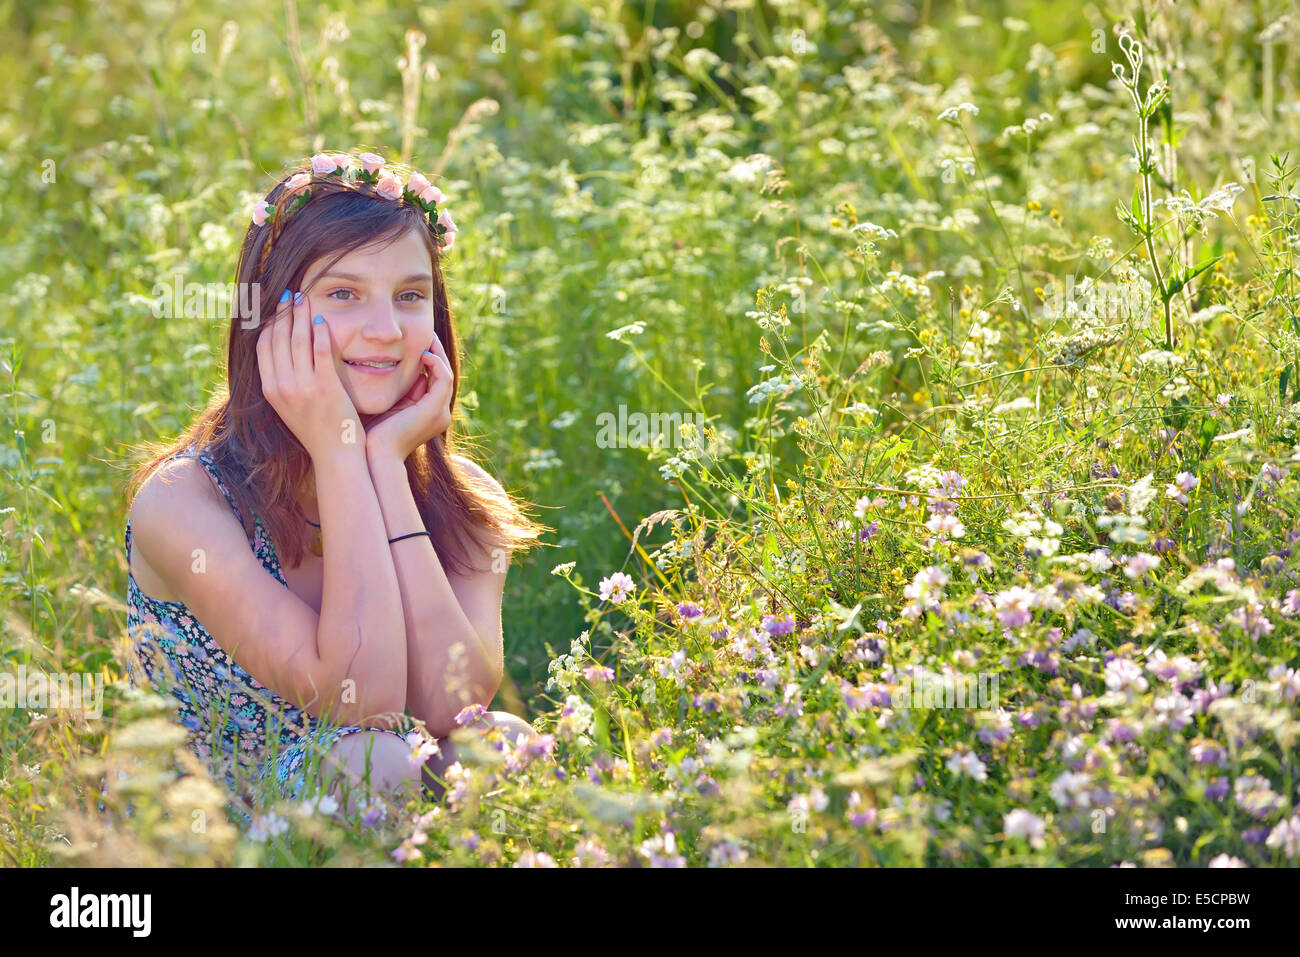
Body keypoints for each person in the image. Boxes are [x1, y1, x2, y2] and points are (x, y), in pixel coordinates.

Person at [121, 149, 551, 823]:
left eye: (411, 295)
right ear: (273, 316)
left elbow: (452, 707)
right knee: (374, 762)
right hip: (207, 827)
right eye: (344, 293)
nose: (385, 330)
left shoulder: (463, 496)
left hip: (383, 793)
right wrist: (337, 448)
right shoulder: (187, 502)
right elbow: (364, 703)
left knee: (504, 741)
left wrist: (382, 465)